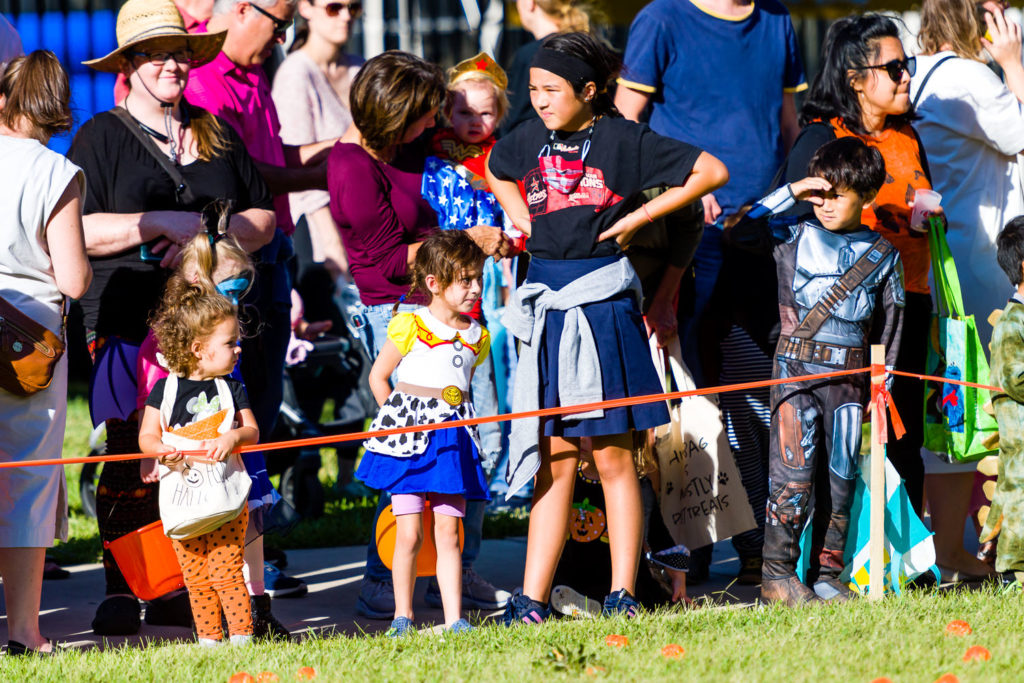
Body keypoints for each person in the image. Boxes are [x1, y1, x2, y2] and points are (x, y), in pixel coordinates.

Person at [486, 31, 728, 623]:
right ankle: (531, 599)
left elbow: (711, 171)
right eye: (534, 89)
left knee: (616, 457)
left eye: (552, 90)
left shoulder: (623, 139)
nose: (539, 100)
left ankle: (622, 592)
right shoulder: (530, 137)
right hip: (548, 306)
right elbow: (494, 167)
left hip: (603, 306)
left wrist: (639, 216)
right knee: (557, 456)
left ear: (589, 91)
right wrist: (517, 214)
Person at [71, 0, 277, 636]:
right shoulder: (100, 137)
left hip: (210, 329)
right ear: (129, 66)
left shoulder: (215, 131)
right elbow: (72, 226)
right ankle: (123, 586)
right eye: (156, 53)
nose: (172, 64)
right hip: (129, 322)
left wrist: (208, 238)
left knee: (214, 449)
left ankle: (188, 588)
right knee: (134, 450)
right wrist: (159, 222)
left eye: (180, 52)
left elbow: (265, 217)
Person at [615, 0, 807, 586]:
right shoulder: (662, 18)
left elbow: (788, 124)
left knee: (756, 388)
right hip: (687, 237)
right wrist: (677, 187)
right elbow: (625, 127)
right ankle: (682, 549)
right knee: (683, 387)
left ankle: (759, 542)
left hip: (765, 233)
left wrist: (791, 204)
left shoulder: (776, 18)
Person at [329, 50, 512, 620]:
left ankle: (456, 564)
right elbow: (384, 261)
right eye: (423, 116)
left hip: (449, 300)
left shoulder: (415, 143)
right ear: (393, 116)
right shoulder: (352, 166)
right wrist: (468, 240)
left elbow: (480, 149)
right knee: (409, 450)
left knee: (468, 441)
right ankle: (384, 577)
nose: (432, 124)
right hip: (398, 313)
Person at [725, 137, 905, 605]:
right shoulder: (791, 236)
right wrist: (793, 191)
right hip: (794, 378)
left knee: (840, 479)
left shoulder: (884, 254)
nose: (823, 205)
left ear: (866, 197)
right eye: (818, 195)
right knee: (792, 477)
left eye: (836, 195)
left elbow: (893, 326)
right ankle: (777, 575)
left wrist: (882, 386)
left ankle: (828, 573)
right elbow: (740, 232)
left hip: (849, 382)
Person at [777, 14, 933, 536]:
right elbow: (791, 224)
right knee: (835, 443)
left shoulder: (908, 136)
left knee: (901, 433)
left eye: (905, 65)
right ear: (854, 77)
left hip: (906, 302)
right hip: (839, 320)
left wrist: (928, 217)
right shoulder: (823, 138)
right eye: (894, 67)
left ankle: (901, 561)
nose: (906, 75)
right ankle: (825, 562)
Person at [912, 0, 1024, 580]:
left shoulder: (924, 73)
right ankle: (969, 551)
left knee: (956, 410)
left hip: (952, 263)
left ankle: (953, 549)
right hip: (992, 264)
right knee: (999, 404)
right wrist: (1013, 63)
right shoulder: (970, 76)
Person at [0, 50, 92, 657]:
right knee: (27, 481)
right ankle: (26, 632)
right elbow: (75, 279)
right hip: (25, 339)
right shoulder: (55, 172)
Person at [356, 231, 492, 636]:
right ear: (433, 283)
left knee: (450, 530)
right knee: (409, 531)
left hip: (452, 444)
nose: (475, 288)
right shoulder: (409, 325)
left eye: (478, 278)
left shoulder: (477, 336)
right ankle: (403, 615)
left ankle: (455, 620)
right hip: (410, 443)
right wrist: (396, 424)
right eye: (464, 280)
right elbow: (378, 377)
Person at [421, 51, 515, 546]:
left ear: (499, 113)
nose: (474, 123)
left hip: (494, 287)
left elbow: (519, 220)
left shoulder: (505, 159)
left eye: (485, 112)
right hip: (442, 288)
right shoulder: (430, 156)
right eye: (462, 112)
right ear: (443, 113)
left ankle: (496, 479)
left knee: (493, 388)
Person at [138, 280, 258, 646]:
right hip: (184, 500)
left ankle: (241, 636)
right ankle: (209, 639)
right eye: (229, 342)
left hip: (225, 500)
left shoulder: (232, 388)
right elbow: (146, 436)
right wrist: (160, 451)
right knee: (195, 574)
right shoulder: (164, 390)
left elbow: (252, 431)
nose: (238, 348)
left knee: (226, 568)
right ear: (198, 349)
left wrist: (232, 437)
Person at [272, 0, 365, 281]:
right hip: (318, 234)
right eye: (334, 7)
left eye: (354, 8)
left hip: (364, 219)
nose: (346, 17)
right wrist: (332, 244)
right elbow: (299, 167)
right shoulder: (295, 73)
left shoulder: (360, 68)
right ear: (305, 9)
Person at [983, 216, 1024, 585]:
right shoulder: (1013, 322)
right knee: (1017, 504)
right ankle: (1012, 574)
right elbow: (1015, 378)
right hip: (1020, 437)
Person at [498, 0, 598, 136]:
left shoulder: (531, 55)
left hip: (539, 149)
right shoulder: (589, 47)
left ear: (529, 3)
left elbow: (511, 122)